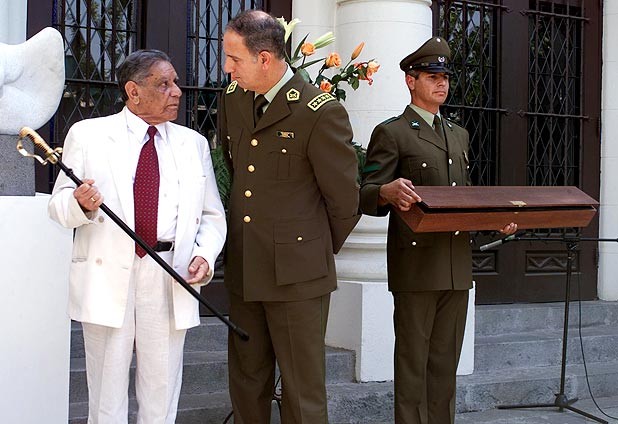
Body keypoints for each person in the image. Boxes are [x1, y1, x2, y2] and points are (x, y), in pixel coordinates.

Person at [48, 49, 227, 423]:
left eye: (175, 82)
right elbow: (58, 206)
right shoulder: (89, 135)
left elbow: (212, 216)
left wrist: (205, 255)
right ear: (133, 91)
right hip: (108, 272)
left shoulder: (193, 143)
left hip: (169, 272)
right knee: (106, 393)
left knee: (161, 391)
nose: (176, 91)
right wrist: (79, 204)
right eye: (164, 84)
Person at [359, 37, 517, 424]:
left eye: (444, 77)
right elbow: (364, 193)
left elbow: (463, 199)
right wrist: (385, 192)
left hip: (455, 266)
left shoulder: (459, 134)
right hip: (416, 266)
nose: (441, 83)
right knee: (413, 363)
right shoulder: (393, 132)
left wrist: (493, 223)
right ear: (410, 81)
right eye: (432, 77)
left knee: (446, 366)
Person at [219, 10, 360, 423]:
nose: (227, 68)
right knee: (247, 384)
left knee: (302, 391)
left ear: (265, 59)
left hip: (298, 277)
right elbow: (236, 166)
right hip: (246, 265)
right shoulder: (233, 98)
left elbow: (344, 200)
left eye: (234, 59)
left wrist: (309, 249)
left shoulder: (319, 111)